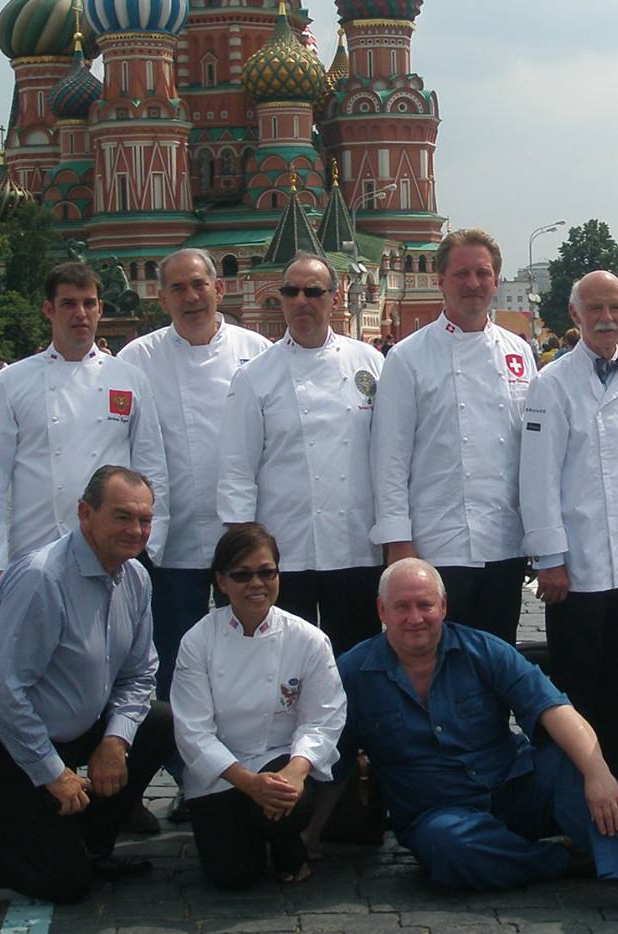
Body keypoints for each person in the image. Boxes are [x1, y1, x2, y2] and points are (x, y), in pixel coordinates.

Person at [337, 558, 618, 910]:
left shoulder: (484, 650)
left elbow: (554, 709)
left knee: (572, 762)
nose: (415, 618)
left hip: (513, 788)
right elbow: (331, 754)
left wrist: (599, 774)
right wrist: (311, 834)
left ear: (444, 606)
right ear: (382, 611)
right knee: (447, 849)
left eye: (425, 605)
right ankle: (565, 860)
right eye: (402, 607)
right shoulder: (352, 673)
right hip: (441, 814)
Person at [0, 467, 174, 903]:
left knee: (159, 723)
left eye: (144, 520)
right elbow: (5, 693)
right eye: (121, 517)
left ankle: (86, 845)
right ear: (84, 513)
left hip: (67, 730)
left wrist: (115, 741)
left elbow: (139, 674)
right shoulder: (43, 579)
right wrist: (52, 773)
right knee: (63, 882)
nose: (135, 530)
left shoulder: (136, 578)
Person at [119, 248, 269, 826]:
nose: (190, 296)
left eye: (199, 284)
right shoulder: (138, 358)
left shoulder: (256, 354)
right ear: (163, 298)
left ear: (219, 289)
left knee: (242, 660)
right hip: (172, 539)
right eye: (177, 288)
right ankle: (189, 776)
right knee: (176, 662)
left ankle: (249, 766)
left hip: (243, 537)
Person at [369, 229, 538, 642]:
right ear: (440, 281)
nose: (473, 283)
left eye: (483, 273)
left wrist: (537, 533)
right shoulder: (408, 357)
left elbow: (532, 453)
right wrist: (397, 541)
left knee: (497, 660)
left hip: (504, 542)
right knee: (435, 662)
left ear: (496, 281)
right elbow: (389, 457)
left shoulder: (519, 351)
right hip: (437, 543)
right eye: (461, 273)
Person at [519, 271, 618, 784]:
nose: (606, 319)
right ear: (575, 316)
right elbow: (537, 478)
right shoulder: (551, 383)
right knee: (578, 689)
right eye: (594, 309)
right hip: (575, 570)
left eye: (615, 308)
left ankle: (617, 785)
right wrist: (549, 559)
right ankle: (572, 793)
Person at [217, 254, 385, 654]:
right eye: (291, 291)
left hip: (356, 544)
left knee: (357, 657)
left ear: (334, 296)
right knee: (286, 662)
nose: (301, 300)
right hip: (284, 548)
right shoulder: (255, 375)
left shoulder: (370, 363)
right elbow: (237, 468)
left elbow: (390, 455)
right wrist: (242, 549)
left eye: (313, 291)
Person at [0, 261, 168, 600]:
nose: (80, 313)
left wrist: (152, 542)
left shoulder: (129, 378)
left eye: (88, 303)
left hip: (113, 548)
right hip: (36, 545)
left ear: (100, 309)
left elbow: (151, 466)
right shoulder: (12, 381)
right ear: (49, 310)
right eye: (68, 304)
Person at [171, 524, 347, 888]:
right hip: (221, 774)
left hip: (280, 760)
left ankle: (287, 839)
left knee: (289, 803)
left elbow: (324, 718)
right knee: (233, 878)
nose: (257, 584)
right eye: (242, 575)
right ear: (221, 582)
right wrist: (249, 784)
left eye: (267, 572)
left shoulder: (308, 639)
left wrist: (296, 773)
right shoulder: (198, 641)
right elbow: (193, 732)